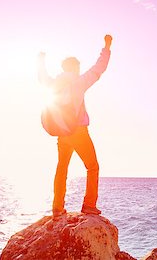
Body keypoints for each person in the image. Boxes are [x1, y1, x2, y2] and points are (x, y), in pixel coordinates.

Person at [37, 35, 112, 219]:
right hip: (78, 132)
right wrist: (107, 47)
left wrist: (40, 60)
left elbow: (42, 77)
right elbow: (98, 68)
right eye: (77, 67)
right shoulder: (78, 82)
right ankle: (89, 205)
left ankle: (57, 208)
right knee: (92, 167)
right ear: (74, 68)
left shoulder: (54, 83)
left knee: (62, 168)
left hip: (62, 134)